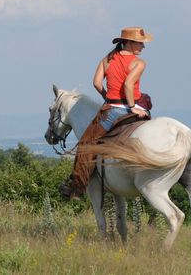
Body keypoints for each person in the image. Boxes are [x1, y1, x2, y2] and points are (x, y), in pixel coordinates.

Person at [60, 26, 153, 199]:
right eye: (140, 43)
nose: (143, 47)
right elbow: (128, 85)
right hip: (136, 107)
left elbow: (96, 83)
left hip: (112, 111)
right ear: (129, 42)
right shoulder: (139, 63)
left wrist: (108, 97)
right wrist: (132, 106)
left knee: (86, 145)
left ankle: (76, 188)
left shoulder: (107, 60)